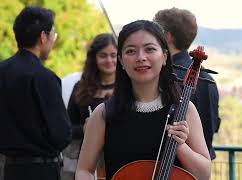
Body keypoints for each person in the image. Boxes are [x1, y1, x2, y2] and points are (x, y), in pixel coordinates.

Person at [75, 20, 211, 180]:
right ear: (121, 61)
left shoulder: (186, 110)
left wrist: (180, 146)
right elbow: (84, 170)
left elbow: (204, 175)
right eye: (131, 51)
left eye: (150, 49)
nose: (141, 57)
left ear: (164, 57)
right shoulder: (103, 114)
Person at [0, 5, 72, 180]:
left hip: (9, 170)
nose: (54, 39)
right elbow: (61, 135)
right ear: (43, 36)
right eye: (53, 34)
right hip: (41, 170)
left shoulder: (2, 70)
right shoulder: (44, 77)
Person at [154, 7, 221, 159]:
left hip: (176, 162)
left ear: (168, 37)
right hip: (202, 163)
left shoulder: (165, 76)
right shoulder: (208, 79)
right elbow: (213, 125)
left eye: (155, 33)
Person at [62, 33, 117, 179]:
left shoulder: (129, 87)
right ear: (94, 58)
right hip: (87, 163)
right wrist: (85, 129)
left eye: (113, 55)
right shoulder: (80, 87)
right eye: (103, 55)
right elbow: (67, 128)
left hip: (118, 159)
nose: (109, 60)